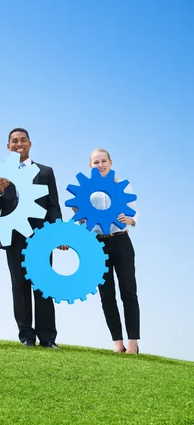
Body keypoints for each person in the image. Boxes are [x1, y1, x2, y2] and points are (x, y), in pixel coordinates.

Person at [0, 128, 63, 349]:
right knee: (19, 286)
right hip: (13, 237)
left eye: (22, 140)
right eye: (14, 141)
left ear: (29, 143)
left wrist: (57, 234)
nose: (18, 144)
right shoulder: (0, 174)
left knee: (43, 285)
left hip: (41, 236)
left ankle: (48, 338)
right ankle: (27, 336)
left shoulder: (45, 172)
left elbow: (53, 206)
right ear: (8, 146)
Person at [88, 148, 140, 354]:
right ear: (90, 166)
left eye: (103, 161)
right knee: (106, 295)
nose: (100, 165)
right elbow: (85, 220)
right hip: (98, 245)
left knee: (128, 292)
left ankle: (133, 342)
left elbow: (134, 214)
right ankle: (117, 343)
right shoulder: (87, 190)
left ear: (110, 162)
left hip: (121, 242)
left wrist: (130, 220)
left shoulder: (122, 186)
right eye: (95, 162)